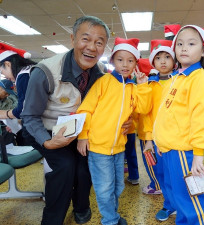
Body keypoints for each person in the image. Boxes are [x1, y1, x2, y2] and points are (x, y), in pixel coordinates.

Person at [20, 16, 131, 225]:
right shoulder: (45, 72)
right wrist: (48, 141)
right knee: (65, 166)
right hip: (45, 129)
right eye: (86, 39)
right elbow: (29, 117)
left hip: (80, 131)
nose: (91, 47)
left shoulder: (101, 75)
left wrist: (128, 121)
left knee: (88, 163)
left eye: (99, 42)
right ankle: (52, 219)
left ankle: (82, 207)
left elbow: (113, 107)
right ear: (73, 39)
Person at [76, 37, 151, 225]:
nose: (125, 64)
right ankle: (109, 220)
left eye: (130, 60)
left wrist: (143, 87)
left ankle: (113, 216)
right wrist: (83, 136)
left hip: (119, 147)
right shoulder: (104, 82)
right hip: (98, 147)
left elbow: (141, 110)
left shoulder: (134, 87)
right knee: (104, 188)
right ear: (112, 61)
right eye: (120, 59)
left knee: (117, 186)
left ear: (135, 63)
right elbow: (85, 110)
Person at [153, 25, 204, 225]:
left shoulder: (199, 79)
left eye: (191, 43)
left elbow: (201, 117)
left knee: (192, 200)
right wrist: (161, 143)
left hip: (184, 150)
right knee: (178, 197)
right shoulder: (178, 77)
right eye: (179, 44)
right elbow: (167, 115)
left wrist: (198, 154)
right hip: (171, 149)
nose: (184, 48)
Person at [141, 39, 178, 221]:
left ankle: (182, 204)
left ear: (174, 60)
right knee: (162, 173)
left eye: (167, 57)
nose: (163, 61)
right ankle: (169, 205)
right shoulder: (151, 86)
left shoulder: (181, 83)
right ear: (153, 62)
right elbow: (146, 114)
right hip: (157, 139)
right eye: (158, 58)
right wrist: (148, 139)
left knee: (178, 173)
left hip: (177, 138)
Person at [0, 43, 36, 145]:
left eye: (2, 72)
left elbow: (23, 109)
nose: (5, 77)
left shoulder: (23, 75)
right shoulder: (32, 69)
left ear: (7, 64)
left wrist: (4, 114)